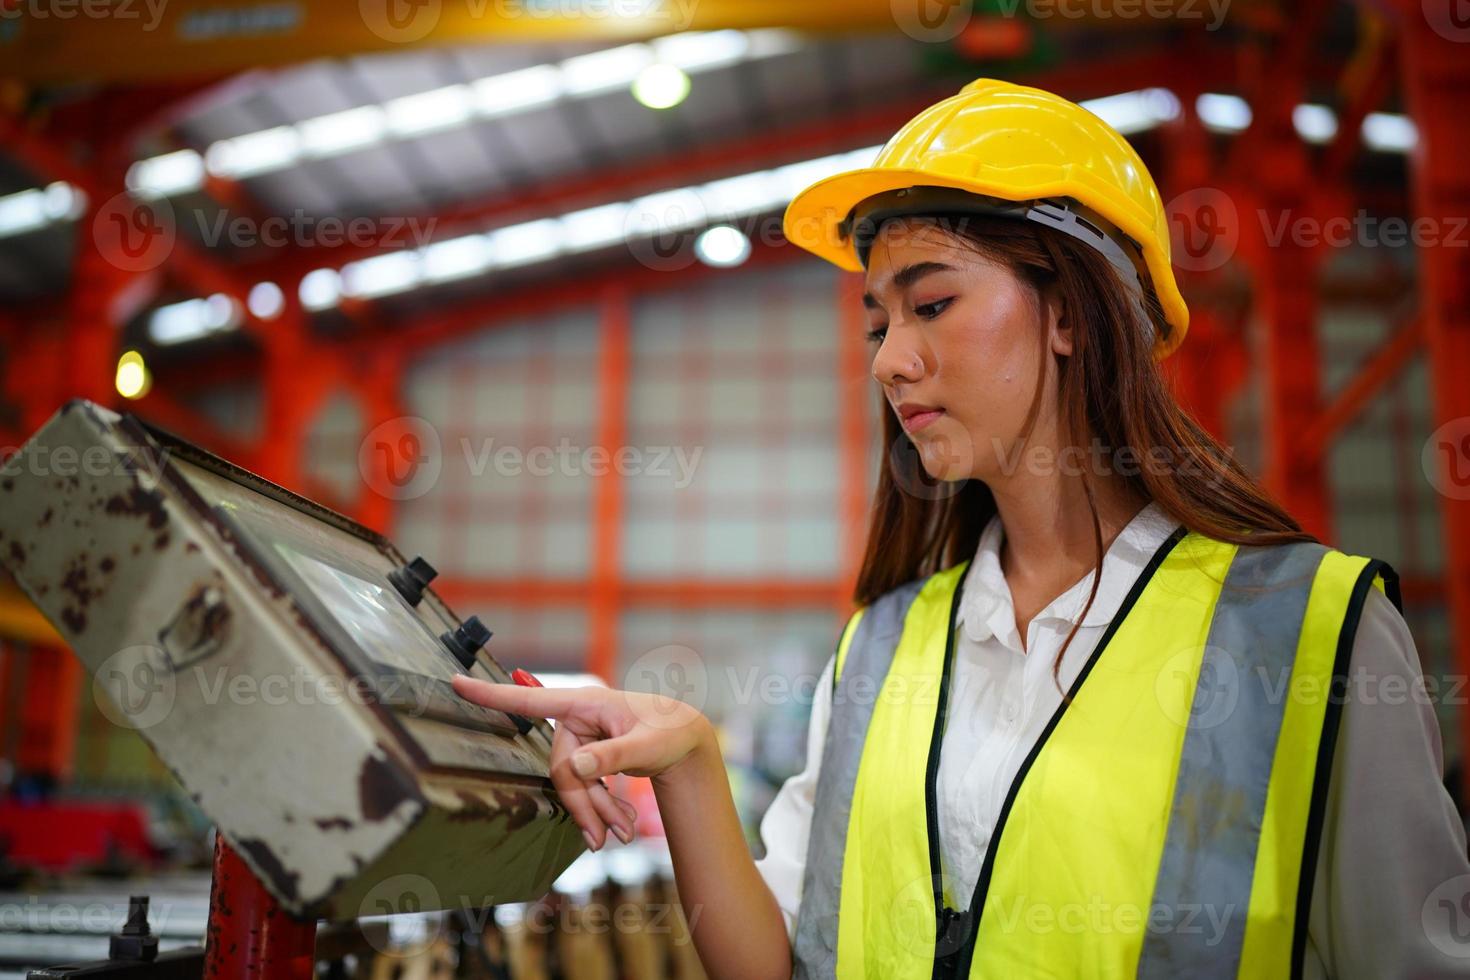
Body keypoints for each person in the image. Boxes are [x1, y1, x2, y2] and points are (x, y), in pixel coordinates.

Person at [452, 78, 1470, 979]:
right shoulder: (886, 646)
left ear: (1070, 312)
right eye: (876, 324)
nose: (889, 360)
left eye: (931, 303)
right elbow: (777, 961)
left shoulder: (1308, 634)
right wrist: (688, 763)